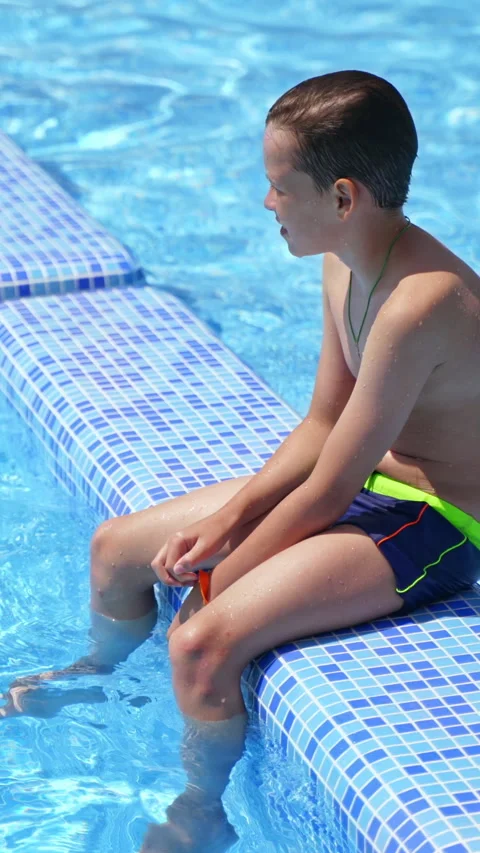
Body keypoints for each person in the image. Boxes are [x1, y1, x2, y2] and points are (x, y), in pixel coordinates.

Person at [3, 69, 480, 852]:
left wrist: (216, 578)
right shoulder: (344, 261)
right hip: (368, 481)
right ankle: (102, 672)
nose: (266, 204)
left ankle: (201, 809)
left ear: (343, 196)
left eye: (278, 186)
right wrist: (228, 519)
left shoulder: (418, 303)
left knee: (200, 641)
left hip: (436, 524)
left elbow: (333, 484)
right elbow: (323, 423)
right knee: (114, 549)